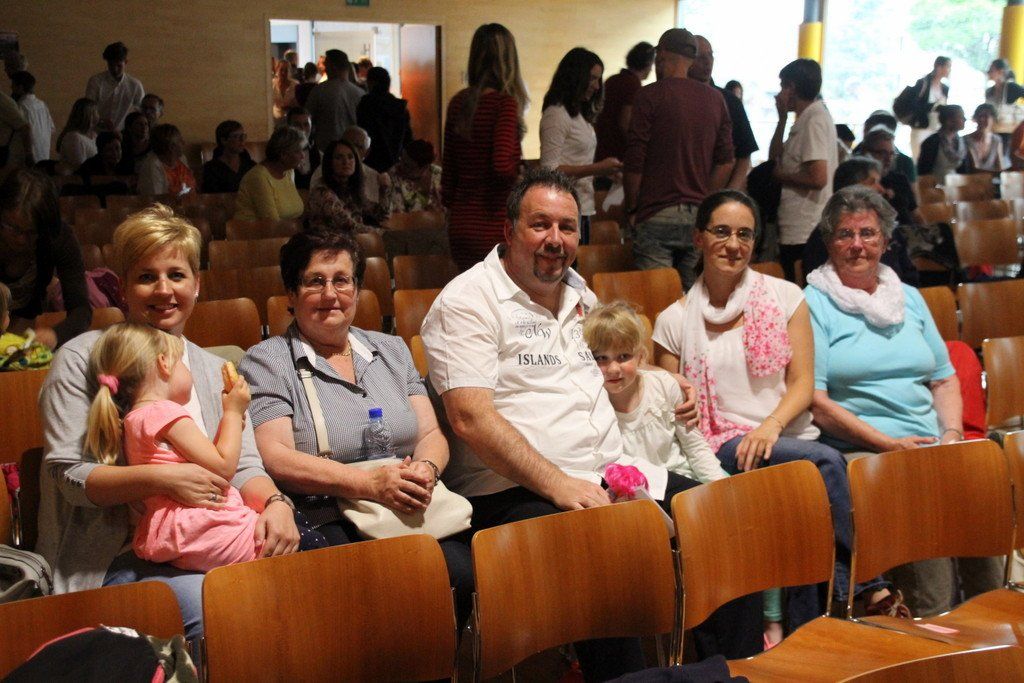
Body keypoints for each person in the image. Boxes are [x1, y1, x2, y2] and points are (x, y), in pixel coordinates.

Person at [422, 168, 762, 675]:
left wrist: (662, 377)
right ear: (509, 229)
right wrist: (558, 483)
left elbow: (608, 365)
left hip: (611, 472)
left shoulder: (580, 296)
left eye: (567, 227)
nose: (555, 239)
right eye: (540, 224)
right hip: (512, 492)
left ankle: (730, 669)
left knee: (726, 518)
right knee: (600, 547)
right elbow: (470, 417)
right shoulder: (468, 301)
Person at [36, 204, 300, 639]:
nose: (164, 290)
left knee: (304, 589)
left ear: (197, 284)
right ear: (124, 288)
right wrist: (164, 479)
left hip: (212, 543)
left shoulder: (214, 369)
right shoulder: (82, 358)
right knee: (227, 611)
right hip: (115, 560)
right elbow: (71, 477)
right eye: (146, 277)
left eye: (176, 275)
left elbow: (245, 466)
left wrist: (276, 504)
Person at [652, 187, 905, 632]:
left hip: (782, 435)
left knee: (808, 500)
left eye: (745, 234)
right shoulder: (673, 319)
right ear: (698, 238)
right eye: (722, 231)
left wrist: (770, 427)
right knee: (825, 463)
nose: (734, 244)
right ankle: (870, 586)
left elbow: (803, 384)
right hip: (720, 443)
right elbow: (673, 406)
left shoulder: (786, 297)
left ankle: (813, 631)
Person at [239, 229, 474, 625]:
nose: (330, 294)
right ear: (291, 294)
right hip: (326, 509)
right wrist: (368, 484)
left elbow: (431, 435)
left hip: (405, 500)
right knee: (371, 585)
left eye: (342, 280)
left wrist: (426, 470)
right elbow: (275, 455)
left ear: (357, 289)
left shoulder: (392, 349)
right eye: (315, 281)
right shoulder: (268, 360)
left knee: (461, 574)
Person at [805, 185, 1002, 617]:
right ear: (829, 242)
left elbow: (943, 380)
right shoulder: (812, 303)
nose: (857, 244)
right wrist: (889, 444)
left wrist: (951, 436)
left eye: (868, 233)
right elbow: (817, 402)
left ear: (885, 240)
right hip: (861, 449)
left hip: (929, 444)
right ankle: (931, 623)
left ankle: (989, 622)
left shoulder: (908, 297)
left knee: (980, 495)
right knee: (919, 505)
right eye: (845, 234)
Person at [85, 323, 262, 571]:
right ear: (164, 364)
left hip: (177, 535)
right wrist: (233, 412)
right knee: (301, 541)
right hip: (206, 529)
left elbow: (205, 461)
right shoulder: (164, 412)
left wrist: (229, 425)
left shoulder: (135, 418)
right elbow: (223, 467)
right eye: (181, 363)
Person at [624, 27, 734, 290]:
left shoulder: (649, 95)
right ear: (692, 59)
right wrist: (705, 199)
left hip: (655, 211)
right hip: (697, 216)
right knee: (695, 299)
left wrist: (632, 208)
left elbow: (635, 160)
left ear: (661, 55)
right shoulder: (716, 99)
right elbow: (726, 161)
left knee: (658, 300)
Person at [583, 301, 728, 485]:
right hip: (634, 489)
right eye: (601, 358)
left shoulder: (664, 386)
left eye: (623, 356)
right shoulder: (590, 403)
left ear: (640, 357)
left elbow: (695, 446)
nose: (613, 369)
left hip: (682, 478)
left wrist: (718, 487)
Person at [441, 23, 527, 271]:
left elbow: (448, 175)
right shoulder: (504, 104)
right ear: (508, 60)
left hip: (461, 223)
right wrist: (519, 174)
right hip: (493, 222)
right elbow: (501, 166)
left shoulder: (458, 103)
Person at [0, 169, 90, 349]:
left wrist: (55, 335)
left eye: (31, 232)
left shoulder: (58, 237)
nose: (21, 239)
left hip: (24, 324)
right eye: (13, 228)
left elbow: (81, 310)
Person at [540, 47, 621, 246]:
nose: (596, 86)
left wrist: (604, 172)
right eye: (592, 78)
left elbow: (577, 161)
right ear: (575, 77)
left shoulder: (579, 116)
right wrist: (597, 168)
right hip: (563, 210)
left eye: (598, 80)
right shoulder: (556, 114)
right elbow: (549, 170)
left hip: (582, 205)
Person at [769, 58, 837, 283]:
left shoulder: (814, 120)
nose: (780, 93)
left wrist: (780, 176)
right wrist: (781, 120)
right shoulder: (806, 119)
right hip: (798, 226)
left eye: (783, 86)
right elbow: (774, 157)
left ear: (792, 87)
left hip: (805, 227)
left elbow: (818, 177)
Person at [801, 156, 918, 285]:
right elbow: (819, 280)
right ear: (852, 188)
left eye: (867, 234)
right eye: (873, 182)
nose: (881, 189)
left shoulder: (886, 227)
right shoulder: (827, 233)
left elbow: (909, 275)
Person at [690, 36, 759, 190]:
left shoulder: (730, 101)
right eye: (700, 57)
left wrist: (730, 192)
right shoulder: (679, 98)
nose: (707, 62)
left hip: (721, 189)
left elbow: (744, 153)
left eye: (710, 55)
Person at [593, 42, 654, 191]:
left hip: (600, 150)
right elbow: (626, 122)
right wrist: (637, 150)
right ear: (647, 63)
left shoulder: (612, 80)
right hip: (617, 156)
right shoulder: (633, 85)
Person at [306, 138, 387, 234]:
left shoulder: (350, 189)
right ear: (329, 162)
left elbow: (382, 215)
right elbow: (349, 226)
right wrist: (385, 233)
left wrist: (383, 190)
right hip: (327, 241)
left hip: (355, 239)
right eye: (339, 158)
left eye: (350, 157)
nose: (346, 162)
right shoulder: (322, 192)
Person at [234, 125, 305, 222]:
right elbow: (272, 222)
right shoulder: (258, 177)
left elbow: (296, 211)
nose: (303, 156)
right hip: (253, 230)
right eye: (298, 151)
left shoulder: (289, 172)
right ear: (283, 155)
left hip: (285, 229)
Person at [305, 49, 364, 151]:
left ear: (333, 67)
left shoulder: (319, 91)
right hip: (352, 149)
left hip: (325, 148)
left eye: (326, 65)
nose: (325, 69)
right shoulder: (360, 93)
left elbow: (307, 119)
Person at [356, 67, 411, 173]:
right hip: (394, 159)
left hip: (371, 159)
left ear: (371, 83)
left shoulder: (366, 104)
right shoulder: (399, 106)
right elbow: (407, 137)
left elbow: (362, 132)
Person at [85, 41, 144, 132]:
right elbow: (88, 110)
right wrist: (100, 121)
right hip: (98, 132)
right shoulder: (96, 82)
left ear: (126, 62)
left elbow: (141, 111)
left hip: (124, 134)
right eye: (111, 65)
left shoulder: (135, 85)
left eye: (119, 65)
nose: (115, 69)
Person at [903, 56, 951, 160]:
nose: (949, 70)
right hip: (921, 127)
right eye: (947, 66)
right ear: (939, 67)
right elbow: (913, 105)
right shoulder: (923, 83)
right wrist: (933, 106)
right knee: (918, 159)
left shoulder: (945, 88)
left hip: (937, 129)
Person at [855, 110, 916, 182]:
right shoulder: (854, 164)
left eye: (891, 154)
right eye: (882, 153)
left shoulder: (904, 164)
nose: (888, 159)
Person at [137, 123, 195, 197]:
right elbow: (156, 199)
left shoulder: (182, 159)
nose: (184, 143)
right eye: (180, 140)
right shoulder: (152, 166)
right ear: (171, 147)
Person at [201, 120, 255, 194]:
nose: (242, 140)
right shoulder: (211, 169)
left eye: (243, 136)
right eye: (236, 136)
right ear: (224, 140)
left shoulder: (250, 165)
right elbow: (211, 196)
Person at [11, 71, 54, 164]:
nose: (11, 88)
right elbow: (51, 128)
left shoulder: (20, 106)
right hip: (43, 154)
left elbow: (23, 130)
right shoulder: (42, 105)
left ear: (20, 87)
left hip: (27, 158)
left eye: (13, 86)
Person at [389, 139, 442, 213]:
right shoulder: (394, 175)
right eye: (401, 159)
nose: (401, 166)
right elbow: (396, 212)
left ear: (424, 167)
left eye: (407, 165)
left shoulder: (439, 175)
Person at [917, 104, 970, 178]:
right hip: (935, 183)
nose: (965, 119)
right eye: (960, 116)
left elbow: (964, 170)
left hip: (957, 183)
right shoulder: (932, 142)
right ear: (949, 120)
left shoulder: (962, 141)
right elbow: (923, 171)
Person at [56, 97, 99, 172]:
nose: (98, 115)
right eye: (96, 112)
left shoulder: (94, 135)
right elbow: (79, 166)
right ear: (89, 115)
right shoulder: (74, 137)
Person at [285, 106, 320, 191]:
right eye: (297, 125)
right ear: (288, 127)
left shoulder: (320, 156)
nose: (302, 129)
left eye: (306, 124)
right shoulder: (281, 156)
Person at [963, 103, 1005, 173]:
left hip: (991, 178)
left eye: (986, 116)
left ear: (993, 119)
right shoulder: (966, 140)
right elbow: (974, 169)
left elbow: (999, 166)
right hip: (969, 178)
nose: (982, 119)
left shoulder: (996, 140)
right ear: (975, 118)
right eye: (980, 116)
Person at [115, 111, 149, 176]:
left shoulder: (152, 147)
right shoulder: (122, 146)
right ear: (129, 127)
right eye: (139, 124)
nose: (144, 127)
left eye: (146, 124)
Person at [272, 60, 298, 125]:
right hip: (275, 118)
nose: (283, 73)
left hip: (290, 118)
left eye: (286, 70)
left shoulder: (295, 85)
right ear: (277, 70)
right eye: (281, 70)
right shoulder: (272, 84)